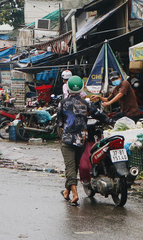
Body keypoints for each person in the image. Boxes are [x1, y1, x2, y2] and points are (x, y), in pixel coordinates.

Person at [57, 75, 111, 206]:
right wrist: (110, 121)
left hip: (67, 140)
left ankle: (75, 195)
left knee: (70, 167)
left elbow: (59, 123)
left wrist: (64, 132)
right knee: (73, 166)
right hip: (82, 140)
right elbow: (99, 115)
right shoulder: (86, 103)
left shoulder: (63, 103)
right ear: (82, 88)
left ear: (68, 89)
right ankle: (66, 191)